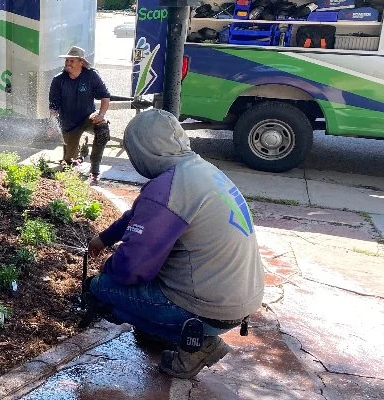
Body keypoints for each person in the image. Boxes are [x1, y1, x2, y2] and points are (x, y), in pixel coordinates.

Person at [84, 109, 264, 379]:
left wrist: (105, 271)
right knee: (133, 287)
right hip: (240, 299)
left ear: (142, 150)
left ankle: (196, 341)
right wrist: (103, 239)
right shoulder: (198, 171)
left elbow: (133, 267)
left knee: (101, 290)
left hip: (207, 306)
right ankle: (193, 335)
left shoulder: (166, 189)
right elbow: (139, 215)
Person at [48, 45, 111, 185]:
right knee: (69, 163)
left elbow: (105, 97)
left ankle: (95, 171)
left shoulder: (91, 75)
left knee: (103, 128)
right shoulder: (58, 80)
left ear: (81, 63)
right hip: (69, 124)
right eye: (67, 61)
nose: (68, 64)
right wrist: (52, 125)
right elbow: (53, 107)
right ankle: (82, 151)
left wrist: (101, 115)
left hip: (88, 117)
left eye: (72, 61)